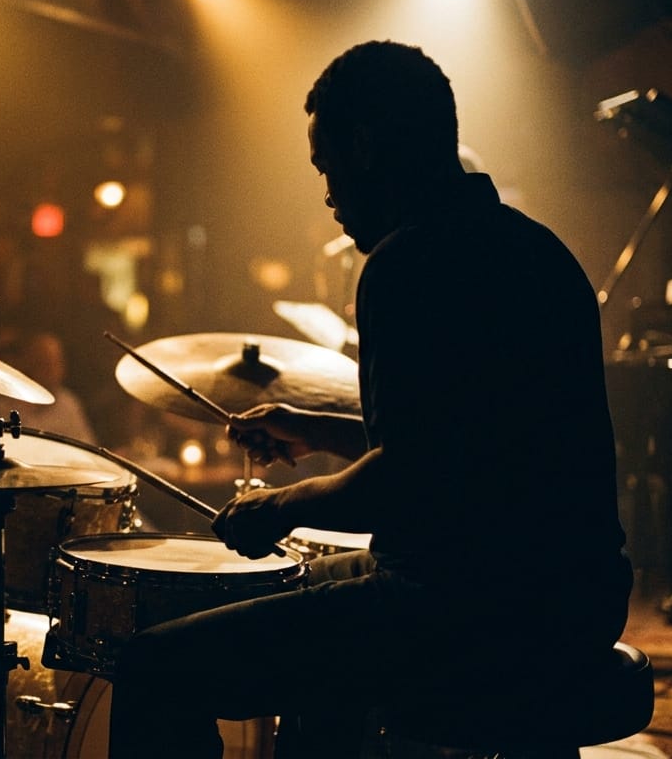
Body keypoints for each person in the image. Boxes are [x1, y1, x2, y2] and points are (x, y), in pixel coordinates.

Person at [106, 41, 633, 758]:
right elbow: (466, 448)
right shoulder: (538, 251)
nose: (328, 197)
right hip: (578, 595)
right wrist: (321, 430)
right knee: (309, 603)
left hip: (462, 606)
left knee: (152, 666)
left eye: (328, 169)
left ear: (366, 148)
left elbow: (409, 481)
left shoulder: (405, 264)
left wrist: (279, 505)